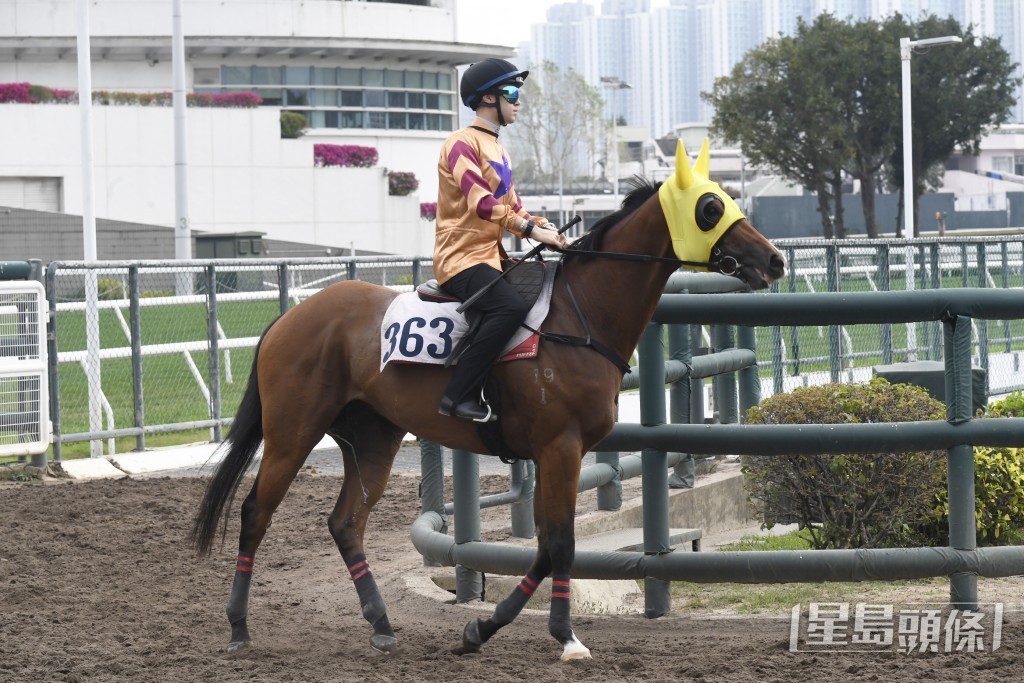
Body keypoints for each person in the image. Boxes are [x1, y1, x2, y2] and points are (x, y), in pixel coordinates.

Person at [434, 58, 568, 422]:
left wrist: (546, 227)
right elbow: (482, 203)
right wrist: (528, 230)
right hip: (460, 259)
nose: (518, 101)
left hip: (490, 258)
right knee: (509, 307)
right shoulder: (459, 144)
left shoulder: (500, 150)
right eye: (512, 92)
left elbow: (513, 208)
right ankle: (457, 396)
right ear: (489, 99)